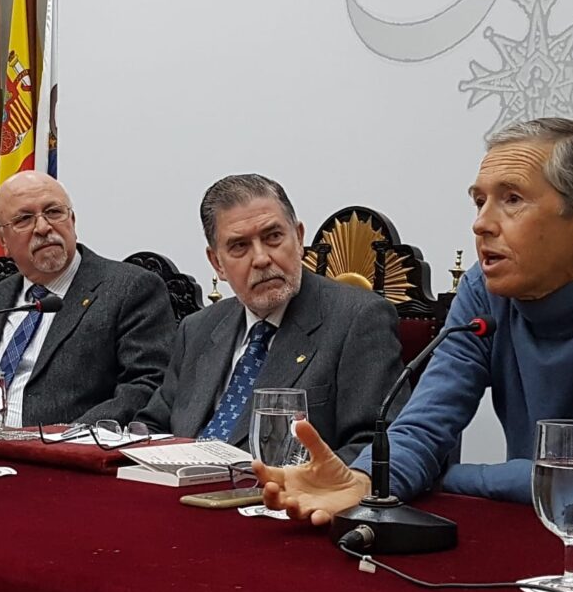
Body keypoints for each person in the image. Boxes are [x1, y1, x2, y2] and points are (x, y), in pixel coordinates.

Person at [257, 118, 573, 526]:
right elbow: (423, 429)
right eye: (479, 201)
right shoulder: (485, 292)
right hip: (545, 530)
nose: (481, 224)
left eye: (511, 199)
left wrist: (451, 477)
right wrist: (364, 480)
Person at [135, 174, 405, 460]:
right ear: (217, 263)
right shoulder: (198, 328)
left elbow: (377, 445)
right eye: (240, 246)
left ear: (299, 238)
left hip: (279, 497)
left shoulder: (358, 319)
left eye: (273, 237)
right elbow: (153, 425)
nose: (261, 258)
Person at [0, 171, 175, 427]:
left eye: (53, 212)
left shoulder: (129, 288)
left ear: (72, 220)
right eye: (24, 219)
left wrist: (66, 438)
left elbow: (146, 385)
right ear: (2, 241)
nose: (43, 227)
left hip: (66, 452)